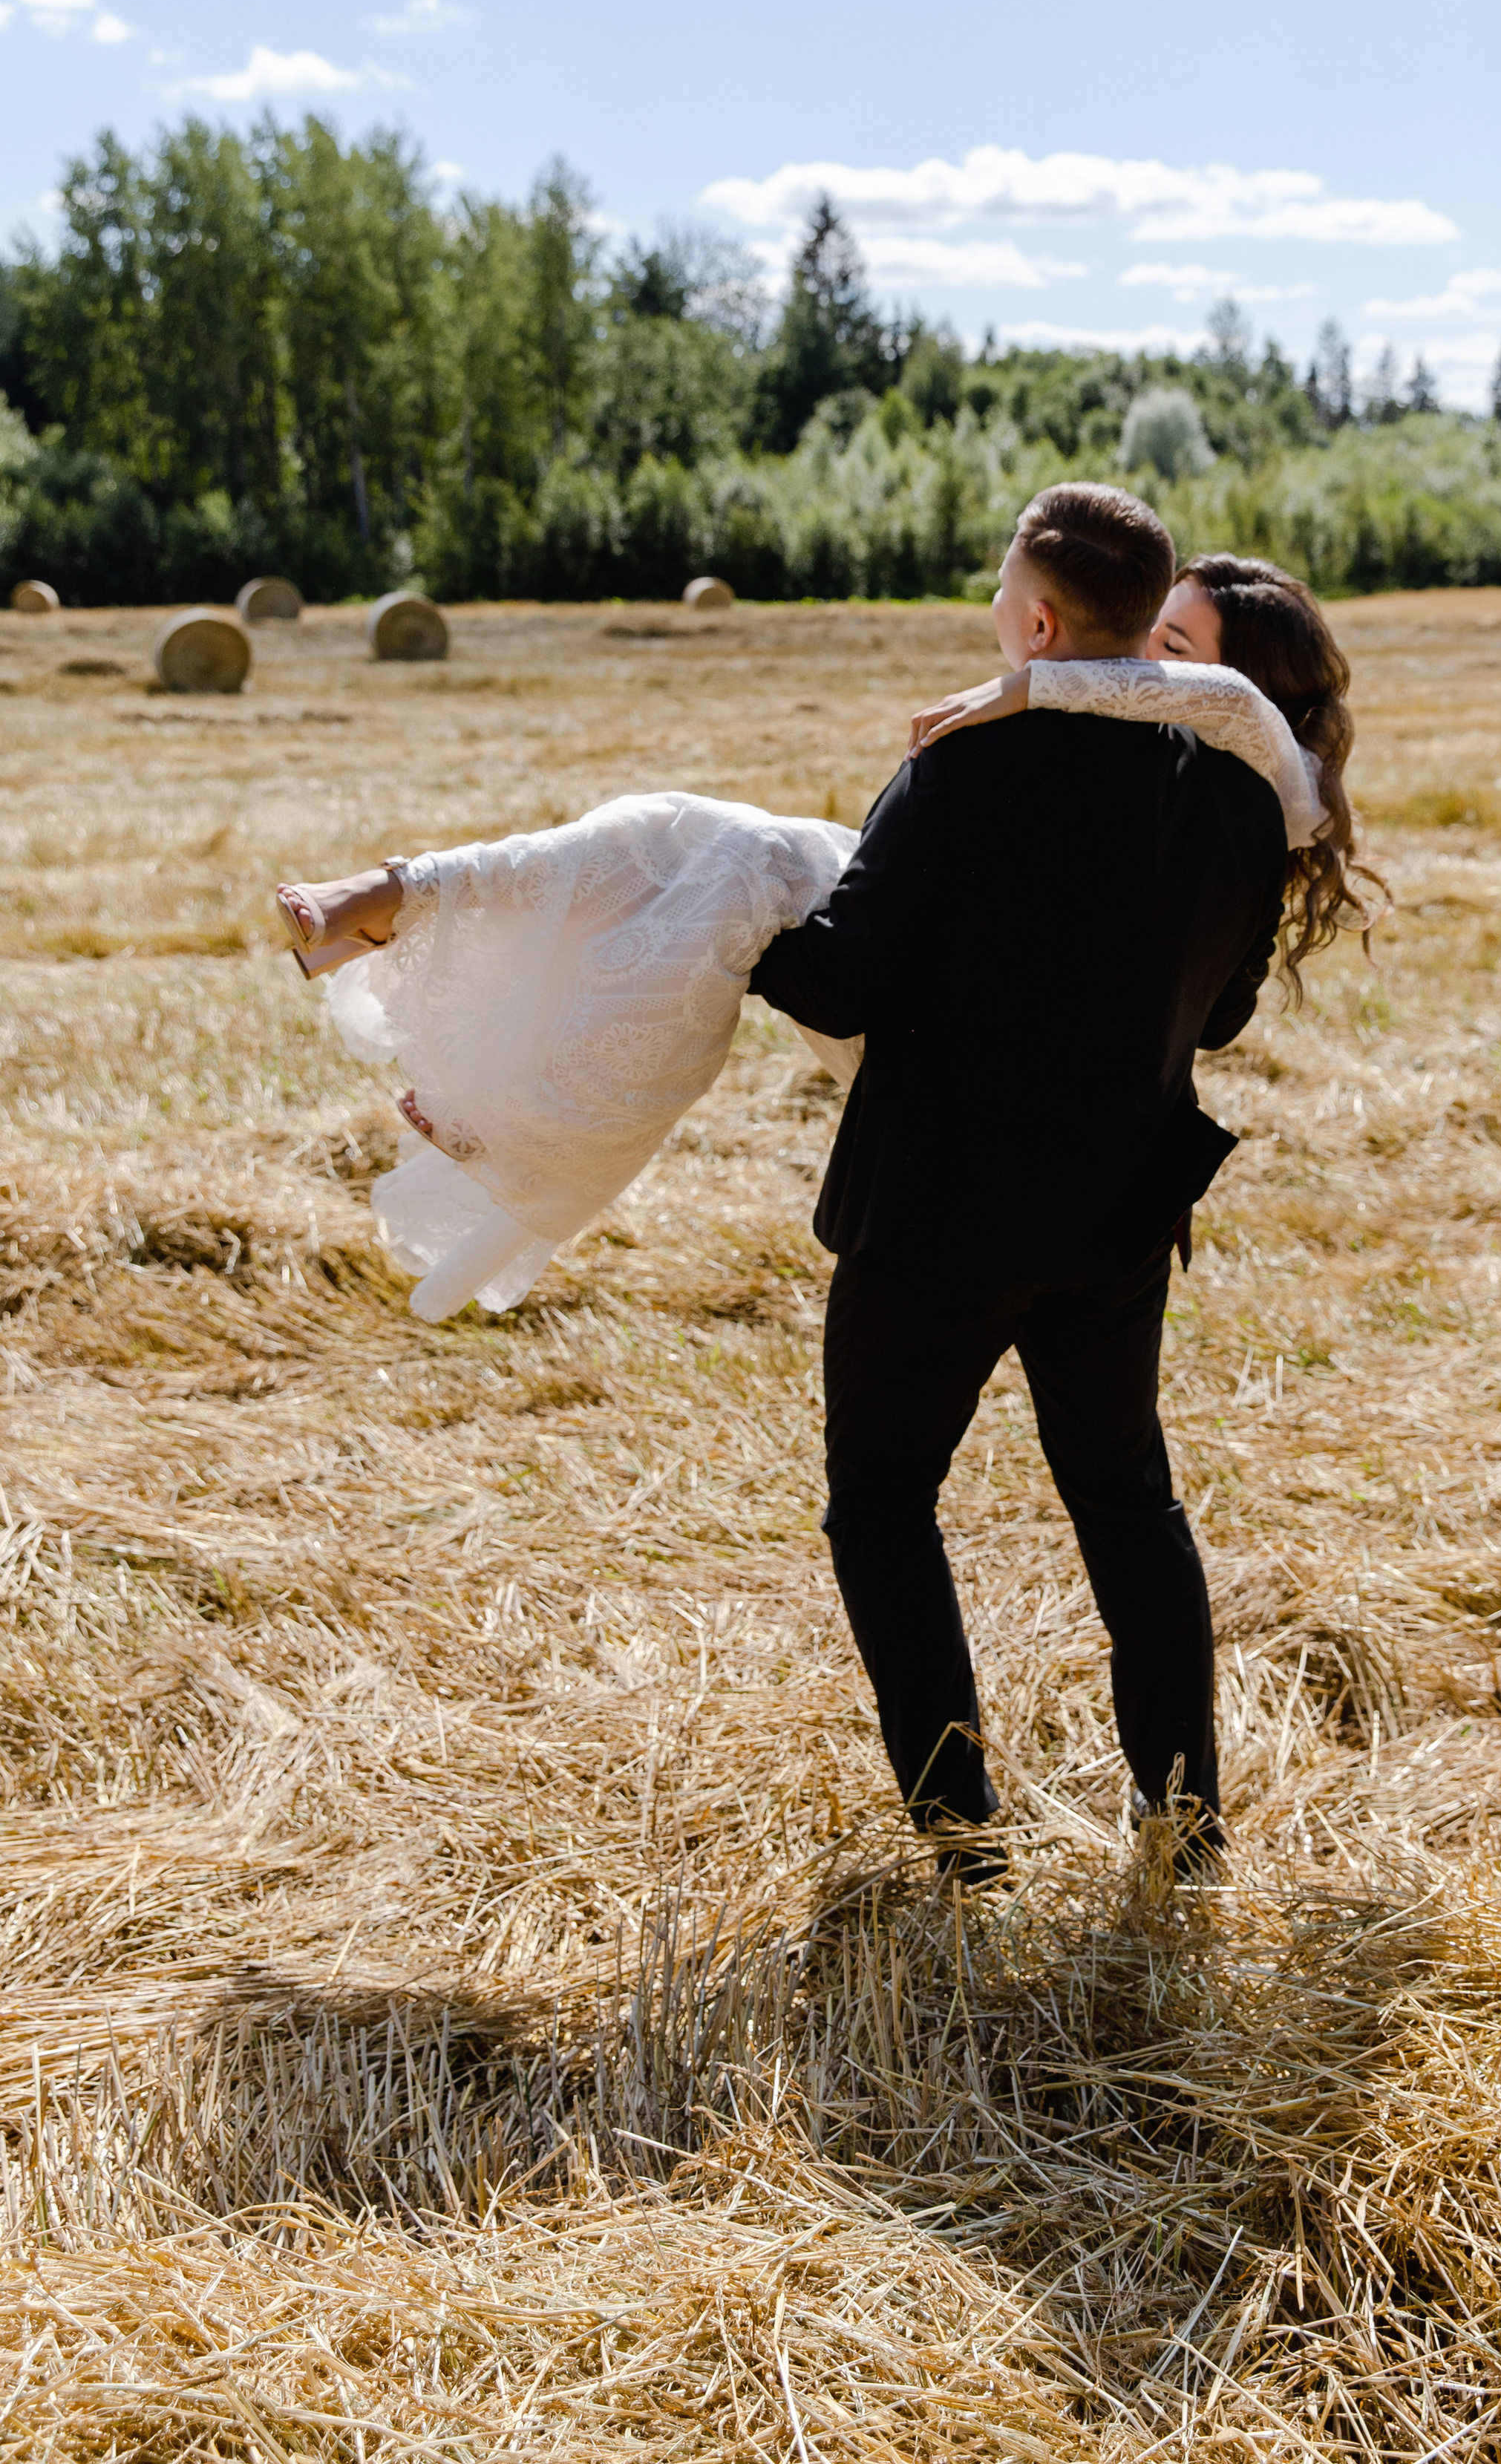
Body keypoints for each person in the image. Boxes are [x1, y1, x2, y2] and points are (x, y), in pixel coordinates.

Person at [276, 546, 1321, 1327]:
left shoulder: (1234, 799)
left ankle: (468, 1045)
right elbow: (1221, 1016)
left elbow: (1223, 720)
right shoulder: (1178, 795)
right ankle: (412, 914)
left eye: (1169, 653)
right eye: (1146, 639)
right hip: (1084, 1168)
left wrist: (1031, 683)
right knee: (681, 838)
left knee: (722, 870)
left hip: (968, 1109)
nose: (1143, 665)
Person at [747, 484, 1291, 1882]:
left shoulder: (962, 771)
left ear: (1041, 621)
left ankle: (960, 1833)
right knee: (1127, 1502)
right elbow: (1222, 1015)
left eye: (1003, 592)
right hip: (1118, 1217)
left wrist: (739, 906)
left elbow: (837, 979)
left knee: (882, 1500)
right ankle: (1185, 1822)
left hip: (936, 1216)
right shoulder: (1235, 798)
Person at [911, 548, 1381, 1005]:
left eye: (1172, 646)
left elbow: (1235, 701)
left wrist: (1029, 684)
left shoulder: (1277, 787)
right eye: (1149, 623)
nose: (1140, 646)